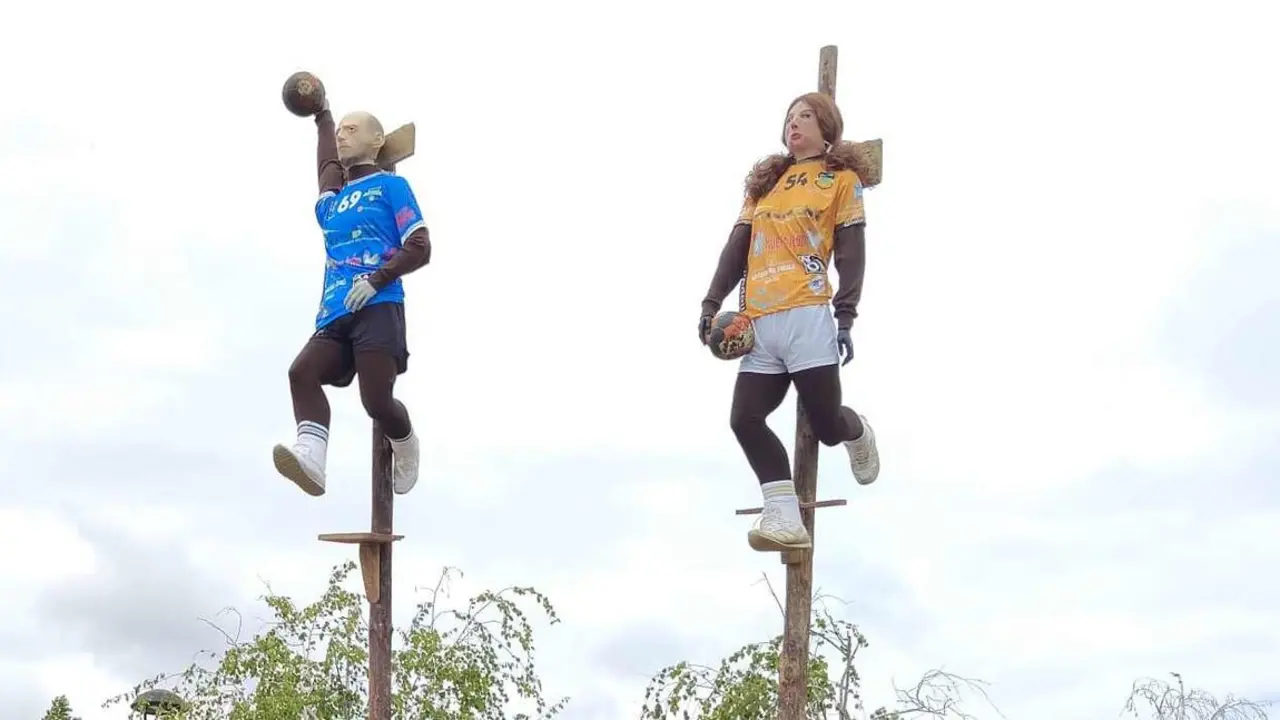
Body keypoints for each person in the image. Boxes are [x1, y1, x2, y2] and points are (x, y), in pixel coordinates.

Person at [699, 91, 881, 552]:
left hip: (806, 312)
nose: (794, 124)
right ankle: (783, 515)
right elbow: (737, 246)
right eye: (789, 117)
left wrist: (846, 314)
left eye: (805, 116)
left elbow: (851, 251)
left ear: (826, 126)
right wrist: (711, 301)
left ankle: (856, 430)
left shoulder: (840, 180)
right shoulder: (764, 185)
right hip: (759, 320)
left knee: (824, 425)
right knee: (745, 418)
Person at [272, 99, 431, 498]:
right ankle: (310, 458)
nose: (343, 134)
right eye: (340, 129)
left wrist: (378, 279)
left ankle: (407, 442)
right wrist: (322, 114)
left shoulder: (391, 187)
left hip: (377, 305)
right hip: (335, 312)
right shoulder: (332, 203)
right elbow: (327, 166)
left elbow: (420, 245)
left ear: (378, 140)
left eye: (352, 128)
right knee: (301, 373)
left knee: (376, 401)